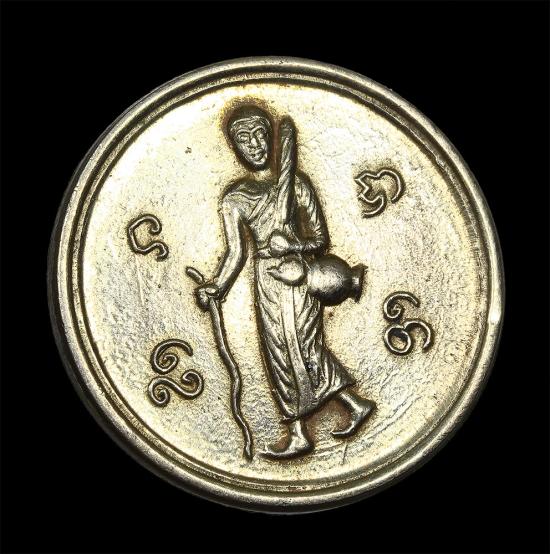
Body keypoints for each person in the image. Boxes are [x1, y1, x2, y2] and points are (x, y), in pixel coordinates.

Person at [195, 105, 375, 459]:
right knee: (277, 352)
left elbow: (320, 239)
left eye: (260, 135)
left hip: (299, 276)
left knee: (305, 347)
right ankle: (309, 427)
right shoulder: (235, 199)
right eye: (244, 139)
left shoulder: (297, 184)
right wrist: (218, 286)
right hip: (267, 280)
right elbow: (236, 253)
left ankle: (340, 411)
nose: (254, 145)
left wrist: (293, 245)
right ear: (234, 147)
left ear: (272, 138)